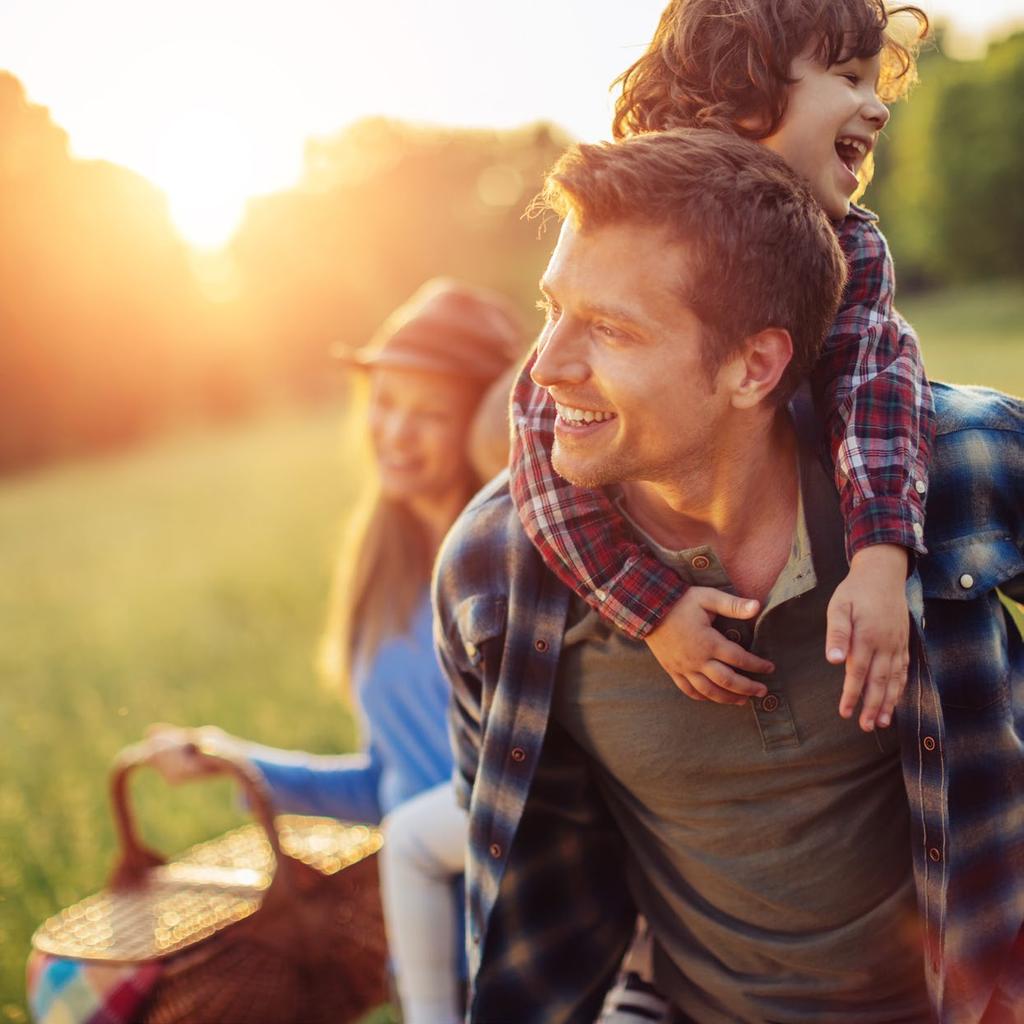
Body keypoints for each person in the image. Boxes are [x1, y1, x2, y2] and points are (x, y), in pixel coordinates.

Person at [433, 129, 1024, 1022]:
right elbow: (522, 880)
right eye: (553, 309)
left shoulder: (964, 463)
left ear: (755, 365)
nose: (547, 364)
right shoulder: (494, 574)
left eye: (611, 328)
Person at [510, 0, 931, 734]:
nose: (877, 109)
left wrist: (878, 560)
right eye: (848, 78)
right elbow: (546, 452)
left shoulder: (852, 248)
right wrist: (653, 607)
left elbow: (877, 388)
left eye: (875, 84)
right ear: (744, 95)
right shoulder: (628, 236)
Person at [143, 278, 524, 1024]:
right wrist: (239, 762)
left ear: (481, 424)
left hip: (515, 937)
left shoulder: (504, 567)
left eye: (429, 415)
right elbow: (391, 783)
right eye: (384, 404)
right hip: (425, 951)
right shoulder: (379, 571)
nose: (396, 433)